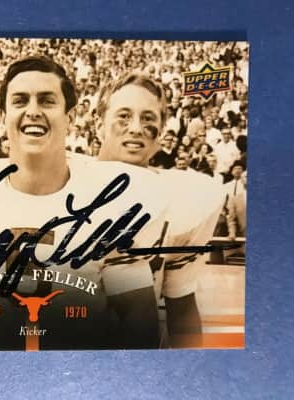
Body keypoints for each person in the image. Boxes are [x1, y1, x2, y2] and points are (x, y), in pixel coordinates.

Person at [0, 56, 171, 350]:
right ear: (2, 116)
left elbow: (139, 315)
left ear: (70, 116)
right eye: (20, 101)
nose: (32, 111)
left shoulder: (108, 200)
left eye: (46, 101)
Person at [96, 72, 226, 348]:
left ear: (160, 134)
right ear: (99, 126)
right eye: (123, 116)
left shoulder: (178, 199)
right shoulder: (62, 186)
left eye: (148, 119)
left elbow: (183, 310)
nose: (136, 128)